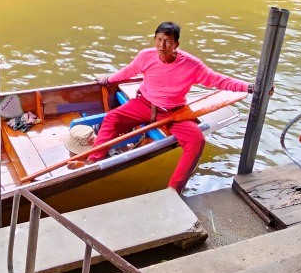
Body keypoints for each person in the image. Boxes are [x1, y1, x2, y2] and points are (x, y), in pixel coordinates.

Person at [92, 22, 252, 193]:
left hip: (174, 111)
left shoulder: (192, 65)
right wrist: (108, 80)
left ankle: (173, 190)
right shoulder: (145, 56)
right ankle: (93, 162)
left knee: (196, 141)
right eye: (159, 39)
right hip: (145, 103)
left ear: (176, 45)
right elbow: (128, 72)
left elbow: (218, 80)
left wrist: (248, 87)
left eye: (167, 41)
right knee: (111, 118)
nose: (162, 45)